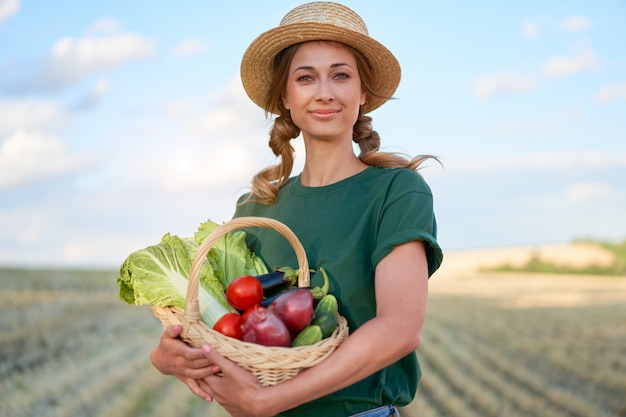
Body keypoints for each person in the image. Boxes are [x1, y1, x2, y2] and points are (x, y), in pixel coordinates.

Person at [150, 2, 443, 416]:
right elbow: (230, 330)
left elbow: (399, 330)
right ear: (286, 97)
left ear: (363, 93)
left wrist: (269, 401)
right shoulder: (254, 207)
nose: (324, 91)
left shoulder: (396, 192)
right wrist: (169, 357)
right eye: (306, 78)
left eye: (341, 75)